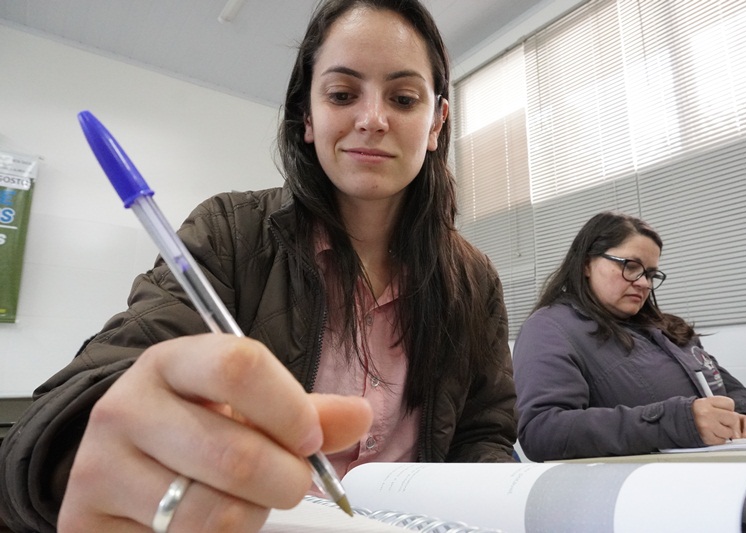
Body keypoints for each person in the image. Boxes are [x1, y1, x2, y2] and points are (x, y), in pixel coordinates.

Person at [0, 1, 518, 531]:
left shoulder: (474, 281)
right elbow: (68, 411)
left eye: (404, 99)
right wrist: (81, 450)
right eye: (342, 95)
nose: (372, 120)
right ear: (308, 118)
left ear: (436, 123)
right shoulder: (229, 233)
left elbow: (485, 433)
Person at [513, 211, 746, 462]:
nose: (643, 283)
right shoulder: (551, 328)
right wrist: (678, 421)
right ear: (586, 264)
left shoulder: (668, 327)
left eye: (651, 274)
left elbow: (729, 387)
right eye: (630, 266)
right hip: (640, 493)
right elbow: (542, 430)